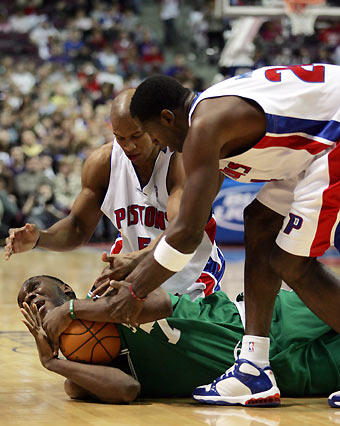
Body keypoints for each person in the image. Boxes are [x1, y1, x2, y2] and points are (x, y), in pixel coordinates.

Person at [98, 65, 340, 407]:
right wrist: (138, 261)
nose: (159, 145)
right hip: (311, 144)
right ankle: (254, 368)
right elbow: (187, 221)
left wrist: (136, 290)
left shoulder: (203, 128)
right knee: (259, 221)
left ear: (168, 118)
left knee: (291, 263)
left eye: (153, 136)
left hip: (333, 134)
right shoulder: (213, 122)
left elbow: (186, 234)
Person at [5, 89, 224, 301]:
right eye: (120, 137)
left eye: (136, 136)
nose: (128, 145)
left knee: (163, 335)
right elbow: (77, 227)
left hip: (191, 274)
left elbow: (181, 230)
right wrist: (40, 238)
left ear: (153, 127)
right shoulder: (102, 163)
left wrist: (138, 258)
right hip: (129, 273)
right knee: (71, 331)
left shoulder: (180, 161)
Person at [18, 274, 340, 404]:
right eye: (24, 299)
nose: (30, 297)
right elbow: (127, 389)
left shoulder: (106, 292)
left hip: (259, 322)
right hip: (270, 374)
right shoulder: (78, 374)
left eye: (35, 287)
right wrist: (52, 362)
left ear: (67, 292)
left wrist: (75, 310)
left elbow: (162, 302)